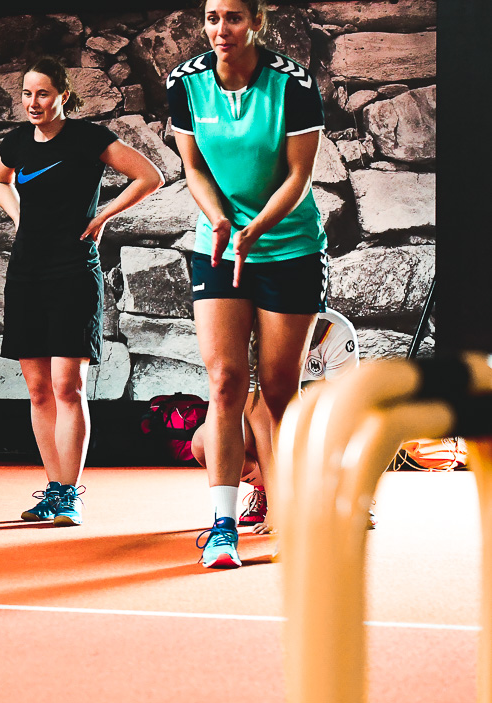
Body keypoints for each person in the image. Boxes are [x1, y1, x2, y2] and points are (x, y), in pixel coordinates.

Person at [168, 0, 329, 568]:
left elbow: (298, 174)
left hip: (289, 247)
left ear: (256, 21)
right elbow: (194, 168)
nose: (221, 29)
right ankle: (222, 526)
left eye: (233, 17)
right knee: (226, 382)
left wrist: (257, 229)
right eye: (212, 17)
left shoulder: (293, 82)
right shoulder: (184, 83)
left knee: (280, 389)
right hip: (216, 244)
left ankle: (293, 513)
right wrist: (218, 220)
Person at [0, 56, 164, 526]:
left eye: (42, 93)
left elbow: (150, 176)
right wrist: (19, 214)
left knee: (68, 386)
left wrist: (103, 215)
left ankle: (69, 492)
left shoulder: (88, 138)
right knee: (37, 388)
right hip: (27, 271)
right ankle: (52, 488)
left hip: (73, 269)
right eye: (26, 94)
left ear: (64, 95)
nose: (33, 103)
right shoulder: (17, 142)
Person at [190, 309, 360, 530]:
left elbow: (342, 413)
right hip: (276, 430)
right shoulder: (252, 336)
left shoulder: (335, 331)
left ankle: (348, 492)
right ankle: (267, 492)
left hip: (317, 430)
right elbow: (261, 420)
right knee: (203, 443)